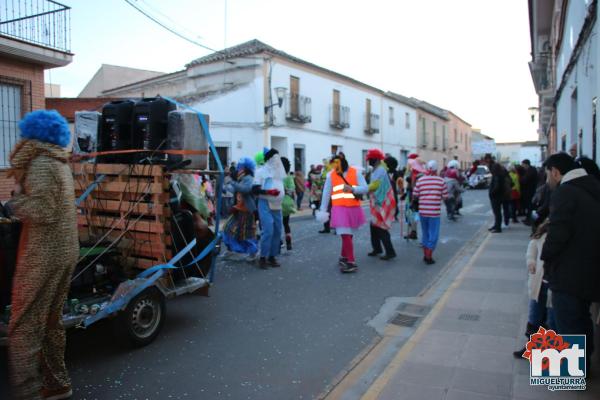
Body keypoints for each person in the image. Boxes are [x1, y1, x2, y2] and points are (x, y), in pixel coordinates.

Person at [5, 110, 78, 400]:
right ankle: (57, 384)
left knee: (22, 324)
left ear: (31, 134)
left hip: (43, 254)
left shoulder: (42, 164)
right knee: (50, 323)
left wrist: (14, 204)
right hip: (63, 252)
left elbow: (43, 211)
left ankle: (29, 392)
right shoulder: (59, 162)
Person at [540, 152, 600, 373]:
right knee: (582, 320)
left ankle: (571, 373)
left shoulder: (565, 193)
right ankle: (583, 366)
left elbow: (557, 235)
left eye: (548, 174)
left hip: (568, 271)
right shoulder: (592, 185)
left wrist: (544, 257)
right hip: (589, 269)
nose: (547, 180)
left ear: (555, 172)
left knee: (567, 323)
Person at [318, 154, 368, 273]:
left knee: (348, 235)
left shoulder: (356, 172)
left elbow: (365, 188)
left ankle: (344, 256)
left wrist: (353, 189)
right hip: (339, 208)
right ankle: (351, 262)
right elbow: (326, 193)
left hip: (353, 208)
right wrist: (323, 210)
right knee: (345, 234)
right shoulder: (331, 175)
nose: (336, 167)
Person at [514, 219, 555, 358]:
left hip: (555, 285)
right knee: (534, 316)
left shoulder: (571, 231)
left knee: (551, 320)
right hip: (539, 283)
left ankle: (546, 354)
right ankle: (531, 347)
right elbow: (533, 245)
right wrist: (531, 261)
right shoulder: (545, 229)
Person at [253, 148, 285, 269]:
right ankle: (262, 257)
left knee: (277, 230)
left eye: (278, 158)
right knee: (268, 230)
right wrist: (268, 192)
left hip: (277, 204)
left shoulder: (279, 173)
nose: (277, 161)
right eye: (274, 159)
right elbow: (254, 189)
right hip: (265, 203)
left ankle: (272, 256)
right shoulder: (260, 172)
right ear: (269, 159)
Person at [222, 158, 259, 261]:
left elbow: (245, 189)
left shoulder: (249, 178)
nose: (239, 169)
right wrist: (224, 186)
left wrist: (232, 182)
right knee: (227, 228)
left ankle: (253, 252)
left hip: (247, 211)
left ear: (246, 168)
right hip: (238, 210)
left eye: (241, 167)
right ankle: (230, 249)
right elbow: (234, 189)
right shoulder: (241, 179)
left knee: (247, 233)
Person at [413, 160, 448, 264]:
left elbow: (415, 194)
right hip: (434, 213)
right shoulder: (441, 181)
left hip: (423, 212)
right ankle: (428, 256)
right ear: (436, 169)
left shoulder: (421, 180)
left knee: (425, 233)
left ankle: (425, 255)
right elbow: (445, 197)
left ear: (428, 168)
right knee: (433, 234)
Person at [366, 149, 397, 260]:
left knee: (381, 226)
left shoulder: (380, 170)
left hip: (381, 201)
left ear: (377, 159)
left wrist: (356, 189)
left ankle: (390, 251)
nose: (369, 161)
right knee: (374, 225)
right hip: (376, 201)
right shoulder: (376, 170)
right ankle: (377, 248)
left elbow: (374, 186)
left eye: (371, 159)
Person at [486, 155, 508, 233]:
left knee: (497, 212)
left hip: (496, 197)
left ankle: (498, 227)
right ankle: (496, 225)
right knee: (497, 213)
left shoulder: (497, 176)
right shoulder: (499, 175)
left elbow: (496, 187)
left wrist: (492, 193)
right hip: (498, 196)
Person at [281, 157, 297, 251]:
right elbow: (292, 189)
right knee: (286, 223)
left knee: (277, 224)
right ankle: (288, 241)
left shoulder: (278, 176)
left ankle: (279, 242)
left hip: (278, 203)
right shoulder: (289, 177)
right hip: (287, 203)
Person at [520, 159, 538, 225]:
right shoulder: (528, 170)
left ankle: (530, 220)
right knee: (528, 206)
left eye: (523, 164)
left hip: (530, 191)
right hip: (528, 191)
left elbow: (525, 180)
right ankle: (527, 219)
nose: (522, 166)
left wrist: (521, 179)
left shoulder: (531, 170)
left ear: (526, 164)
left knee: (530, 206)